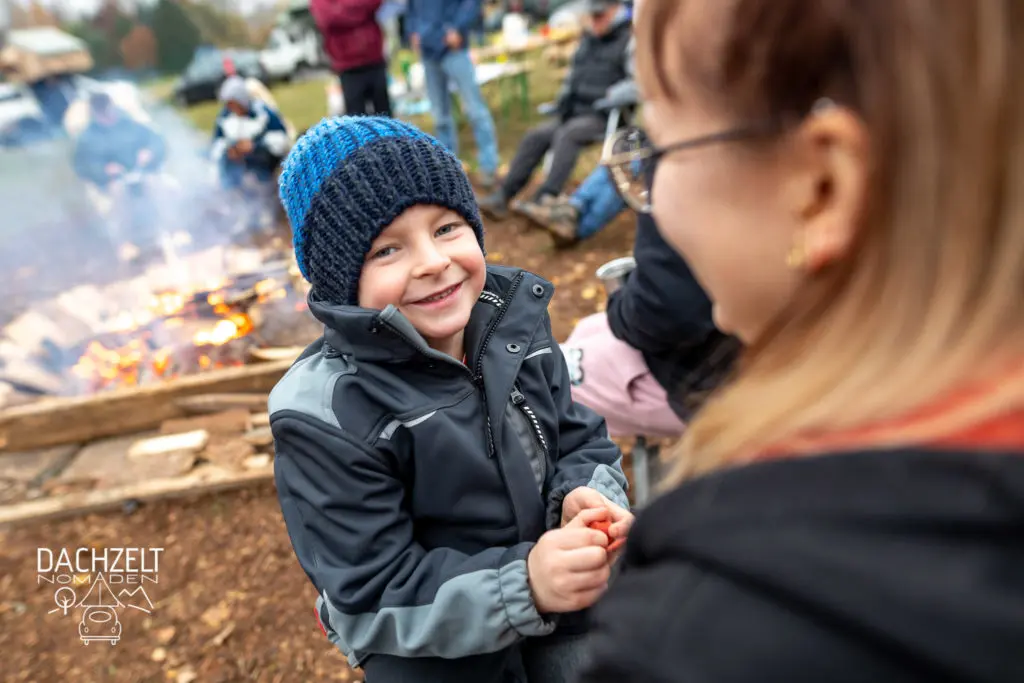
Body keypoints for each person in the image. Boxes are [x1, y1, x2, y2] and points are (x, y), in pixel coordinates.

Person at [579, 1, 1024, 682]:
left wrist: (714, 574)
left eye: (661, 149)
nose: (654, 197)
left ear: (823, 187)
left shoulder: (699, 640)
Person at [272, 116, 634, 683]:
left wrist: (585, 494)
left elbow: (579, 437)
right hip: (445, 664)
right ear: (344, 280)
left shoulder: (512, 327)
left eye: (446, 229)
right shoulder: (325, 414)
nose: (433, 261)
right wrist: (526, 584)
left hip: (562, 615)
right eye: (388, 249)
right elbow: (371, 596)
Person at [561, 213, 740, 438]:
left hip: (721, 387)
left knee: (547, 381)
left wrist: (619, 301)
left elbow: (664, 314)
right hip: (736, 361)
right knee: (588, 328)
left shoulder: (692, 186)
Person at [478, 0, 631, 219]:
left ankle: (546, 198)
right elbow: (573, 78)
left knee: (567, 135)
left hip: (604, 113)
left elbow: (640, 82)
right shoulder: (587, 41)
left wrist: (612, 96)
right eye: (592, 16)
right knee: (536, 135)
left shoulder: (628, 40)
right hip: (574, 110)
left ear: (615, 11)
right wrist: (561, 101)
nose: (595, 21)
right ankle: (503, 195)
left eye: (600, 16)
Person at [405, 0, 500, 188]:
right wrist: (412, 31)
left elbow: (471, 3)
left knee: (475, 110)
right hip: (428, 51)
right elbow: (411, 9)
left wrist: (457, 28)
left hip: (454, 48)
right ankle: (448, 169)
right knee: (440, 116)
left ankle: (489, 166)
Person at [73, 92, 166, 200]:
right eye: (102, 115)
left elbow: (157, 140)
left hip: (145, 174)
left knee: (167, 190)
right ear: (94, 114)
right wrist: (103, 170)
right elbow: (81, 166)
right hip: (108, 186)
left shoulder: (130, 123)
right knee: (117, 198)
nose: (107, 117)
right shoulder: (87, 137)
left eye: (108, 112)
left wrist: (150, 151)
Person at [310, 0, 393, 117]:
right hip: (347, 65)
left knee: (385, 115)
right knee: (356, 119)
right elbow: (327, 18)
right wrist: (360, 9)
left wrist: (344, 9)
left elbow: (374, 2)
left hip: (373, 58)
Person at [210, 76, 290, 191]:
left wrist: (256, 145)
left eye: (233, 103)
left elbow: (281, 140)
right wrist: (230, 150)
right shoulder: (225, 117)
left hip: (265, 173)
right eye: (228, 104)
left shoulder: (262, 113)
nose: (231, 107)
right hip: (237, 177)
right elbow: (217, 144)